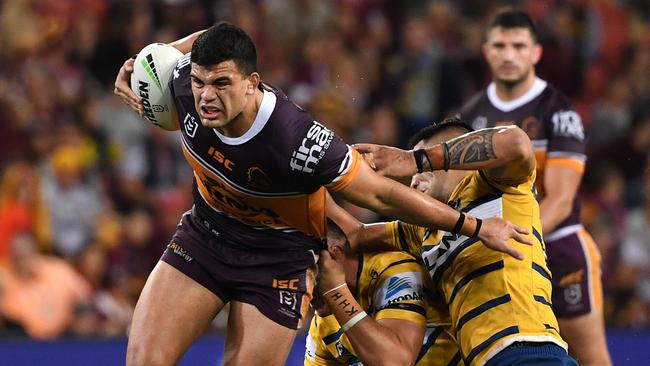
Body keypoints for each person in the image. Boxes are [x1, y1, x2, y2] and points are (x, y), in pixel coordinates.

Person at [113, 22, 531, 366]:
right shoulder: (182, 84)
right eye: (200, 81)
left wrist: (474, 226)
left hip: (276, 259)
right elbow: (192, 47)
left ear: (252, 84)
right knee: (144, 359)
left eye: (222, 83)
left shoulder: (301, 141)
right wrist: (144, 64)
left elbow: (383, 197)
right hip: (204, 236)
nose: (206, 96)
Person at [457, 9, 611, 365]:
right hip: (495, 247)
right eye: (500, 45)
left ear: (536, 52)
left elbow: (560, 198)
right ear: (486, 52)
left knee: (591, 358)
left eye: (519, 46)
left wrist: (512, 238)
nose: (509, 55)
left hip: (558, 247)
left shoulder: (559, 111)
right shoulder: (470, 116)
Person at [354, 120, 577, 365]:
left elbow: (516, 143)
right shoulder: (424, 232)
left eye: (422, 170)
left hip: (527, 351)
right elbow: (353, 235)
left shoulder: (499, 186)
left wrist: (415, 159)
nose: (412, 181)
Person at [305, 219, 431, 365]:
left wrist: (335, 291)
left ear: (334, 256)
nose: (302, 289)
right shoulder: (321, 326)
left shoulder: (394, 269)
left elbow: (393, 362)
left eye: (302, 272)